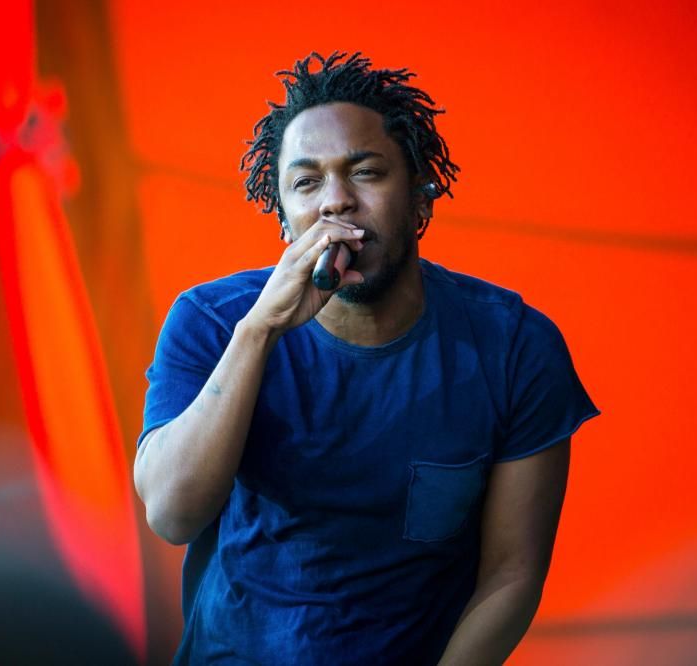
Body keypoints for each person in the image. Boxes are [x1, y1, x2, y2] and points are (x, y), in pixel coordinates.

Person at [134, 51, 599, 665]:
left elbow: (512, 574)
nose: (336, 202)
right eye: (306, 183)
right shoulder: (214, 321)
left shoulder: (515, 345)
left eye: (366, 172)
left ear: (421, 198)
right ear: (283, 219)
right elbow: (172, 515)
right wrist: (258, 333)